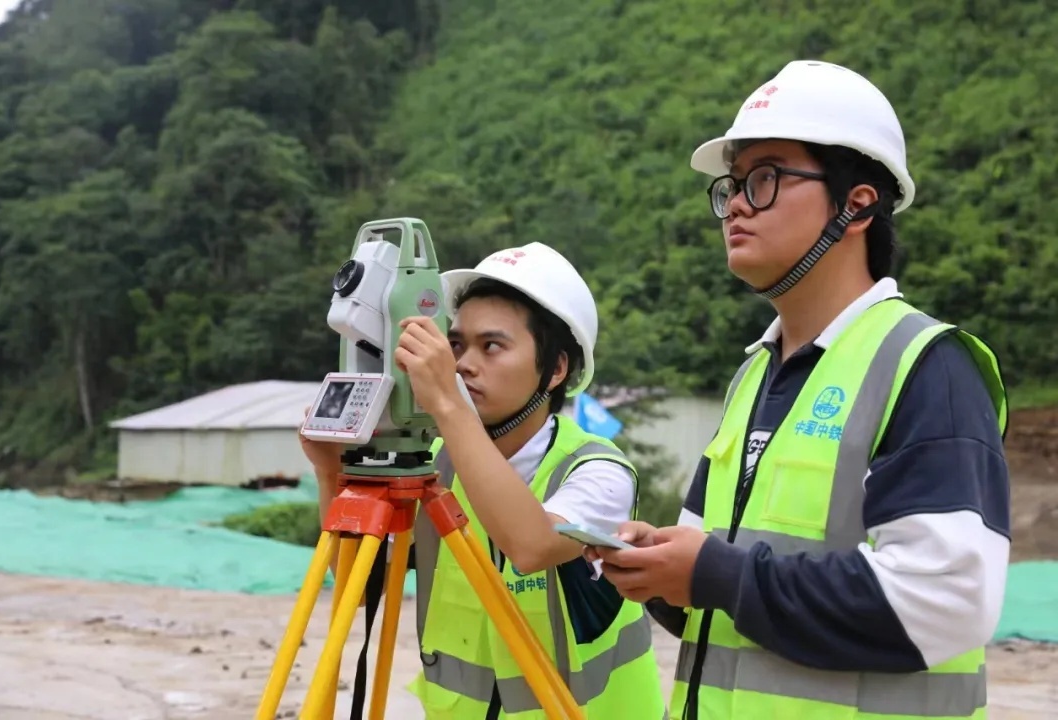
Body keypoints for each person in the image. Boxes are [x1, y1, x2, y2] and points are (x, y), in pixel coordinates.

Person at [587, 59, 1011, 720]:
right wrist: (657, 571)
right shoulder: (755, 373)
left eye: (765, 179)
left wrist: (714, 574)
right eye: (732, 184)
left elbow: (945, 603)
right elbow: (721, 596)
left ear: (858, 204)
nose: (734, 203)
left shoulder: (927, 368)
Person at [301, 242, 666, 718]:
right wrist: (331, 472)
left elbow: (531, 546)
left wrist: (448, 405)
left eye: (491, 346)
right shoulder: (433, 463)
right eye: (456, 345)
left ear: (555, 369)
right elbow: (358, 584)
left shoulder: (598, 471)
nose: (463, 364)